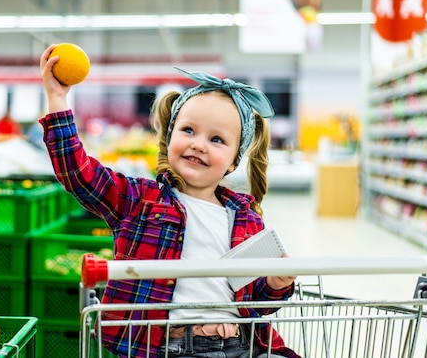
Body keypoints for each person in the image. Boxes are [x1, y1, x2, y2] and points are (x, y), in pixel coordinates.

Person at [39, 43, 298, 358]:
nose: (199, 145)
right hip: (171, 348)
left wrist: (277, 283)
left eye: (216, 139)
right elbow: (79, 174)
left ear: (233, 161)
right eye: (188, 130)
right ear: (170, 137)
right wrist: (57, 99)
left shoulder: (247, 219)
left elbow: (258, 298)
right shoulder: (139, 200)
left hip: (242, 345)